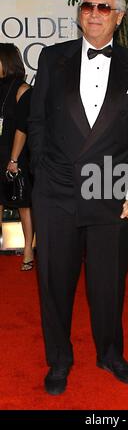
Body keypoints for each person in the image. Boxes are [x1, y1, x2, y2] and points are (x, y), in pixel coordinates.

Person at [28, 0, 128, 396]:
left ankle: (110, 353)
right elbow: (38, 121)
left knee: (108, 283)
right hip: (57, 191)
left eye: (103, 7)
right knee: (55, 282)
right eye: (87, 6)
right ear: (80, 13)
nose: (94, 14)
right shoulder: (52, 57)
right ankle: (59, 360)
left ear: (118, 16)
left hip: (110, 190)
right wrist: (42, 177)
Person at [0, 43, 34, 271]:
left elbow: (22, 128)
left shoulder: (23, 89)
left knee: (23, 203)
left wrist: (13, 160)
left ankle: (29, 252)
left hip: (17, 154)